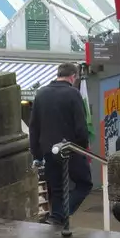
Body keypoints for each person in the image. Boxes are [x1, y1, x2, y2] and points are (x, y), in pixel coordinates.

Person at [29, 62, 93, 225]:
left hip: (49, 151)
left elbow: (34, 126)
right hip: (70, 149)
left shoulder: (41, 93)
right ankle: (60, 214)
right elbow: (81, 126)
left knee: (57, 189)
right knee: (85, 184)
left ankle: (56, 220)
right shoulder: (73, 94)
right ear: (73, 77)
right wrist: (82, 147)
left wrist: (37, 154)